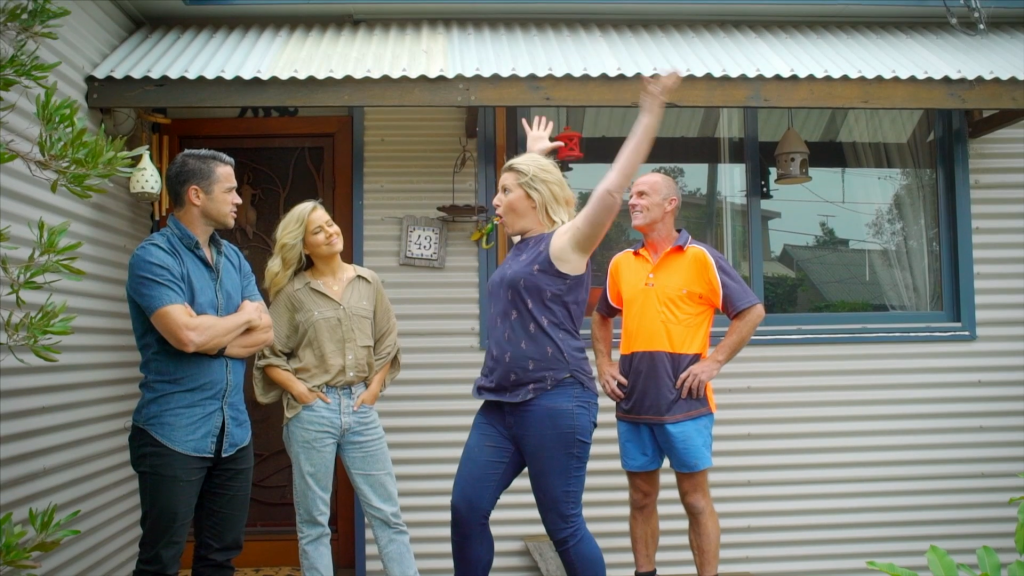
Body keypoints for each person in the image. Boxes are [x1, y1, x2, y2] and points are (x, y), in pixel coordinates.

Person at [449, 74, 680, 576]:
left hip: (555, 399)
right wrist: (535, 156)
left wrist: (650, 109)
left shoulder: (567, 245)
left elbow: (613, 188)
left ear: (531, 197)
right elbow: (537, 197)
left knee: (563, 525)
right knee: (467, 509)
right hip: (501, 402)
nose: (494, 202)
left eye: (505, 191)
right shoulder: (523, 246)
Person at [591, 172, 766, 576]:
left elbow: (751, 311)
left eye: (642, 195)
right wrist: (603, 363)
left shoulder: (701, 258)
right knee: (640, 497)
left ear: (670, 204)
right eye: (630, 195)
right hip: (634, 402)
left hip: (686, 404)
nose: (632, 202)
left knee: (695, 500)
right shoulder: (621, 263)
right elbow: (602, 318)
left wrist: (715, 361)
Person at [126, 149, 274, 576]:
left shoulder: (235, 259)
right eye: (229, 191)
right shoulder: (153, 258)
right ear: (195, 194)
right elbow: (185, 335)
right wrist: (240, 318)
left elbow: (265, 333)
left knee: (220, 559)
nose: (238, 200)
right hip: (171, 434)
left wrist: (211, 335)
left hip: (234, 434)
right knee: (160, 560)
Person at [253, 200, 417, 576]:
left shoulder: (367, 282)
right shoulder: (293, 294)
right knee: (314, 521)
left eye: (330, 223)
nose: (331, 232)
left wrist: (373, 389)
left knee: (388, 514)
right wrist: (300, 391)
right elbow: (268, 355)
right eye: (318, 230)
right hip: (313, 413)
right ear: (304, 246)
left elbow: (388, 343)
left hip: (360, 408)